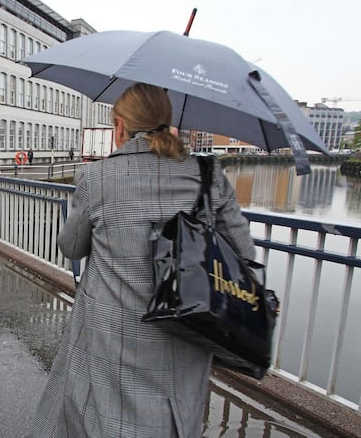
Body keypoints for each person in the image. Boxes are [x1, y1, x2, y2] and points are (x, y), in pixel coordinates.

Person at [30, 83, 255, 437]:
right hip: (188, 335)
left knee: (100, 422)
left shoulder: (98, 177)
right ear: (167, 123)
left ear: (119, 126)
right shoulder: (210, 177)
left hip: (111, 338)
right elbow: (244, 255)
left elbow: (71, 247)